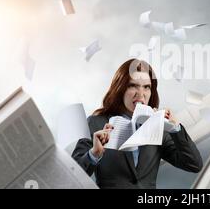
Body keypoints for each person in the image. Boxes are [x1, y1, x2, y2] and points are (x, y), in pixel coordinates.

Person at [72, 59, 203, 189]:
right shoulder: (95, 123)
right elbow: (71, 176)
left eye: (146, 87)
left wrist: (175, 128)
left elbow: (194, 164)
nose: (141, 94)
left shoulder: (157, 126)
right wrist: (93, 154)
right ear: (120, 89)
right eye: (133, 85)